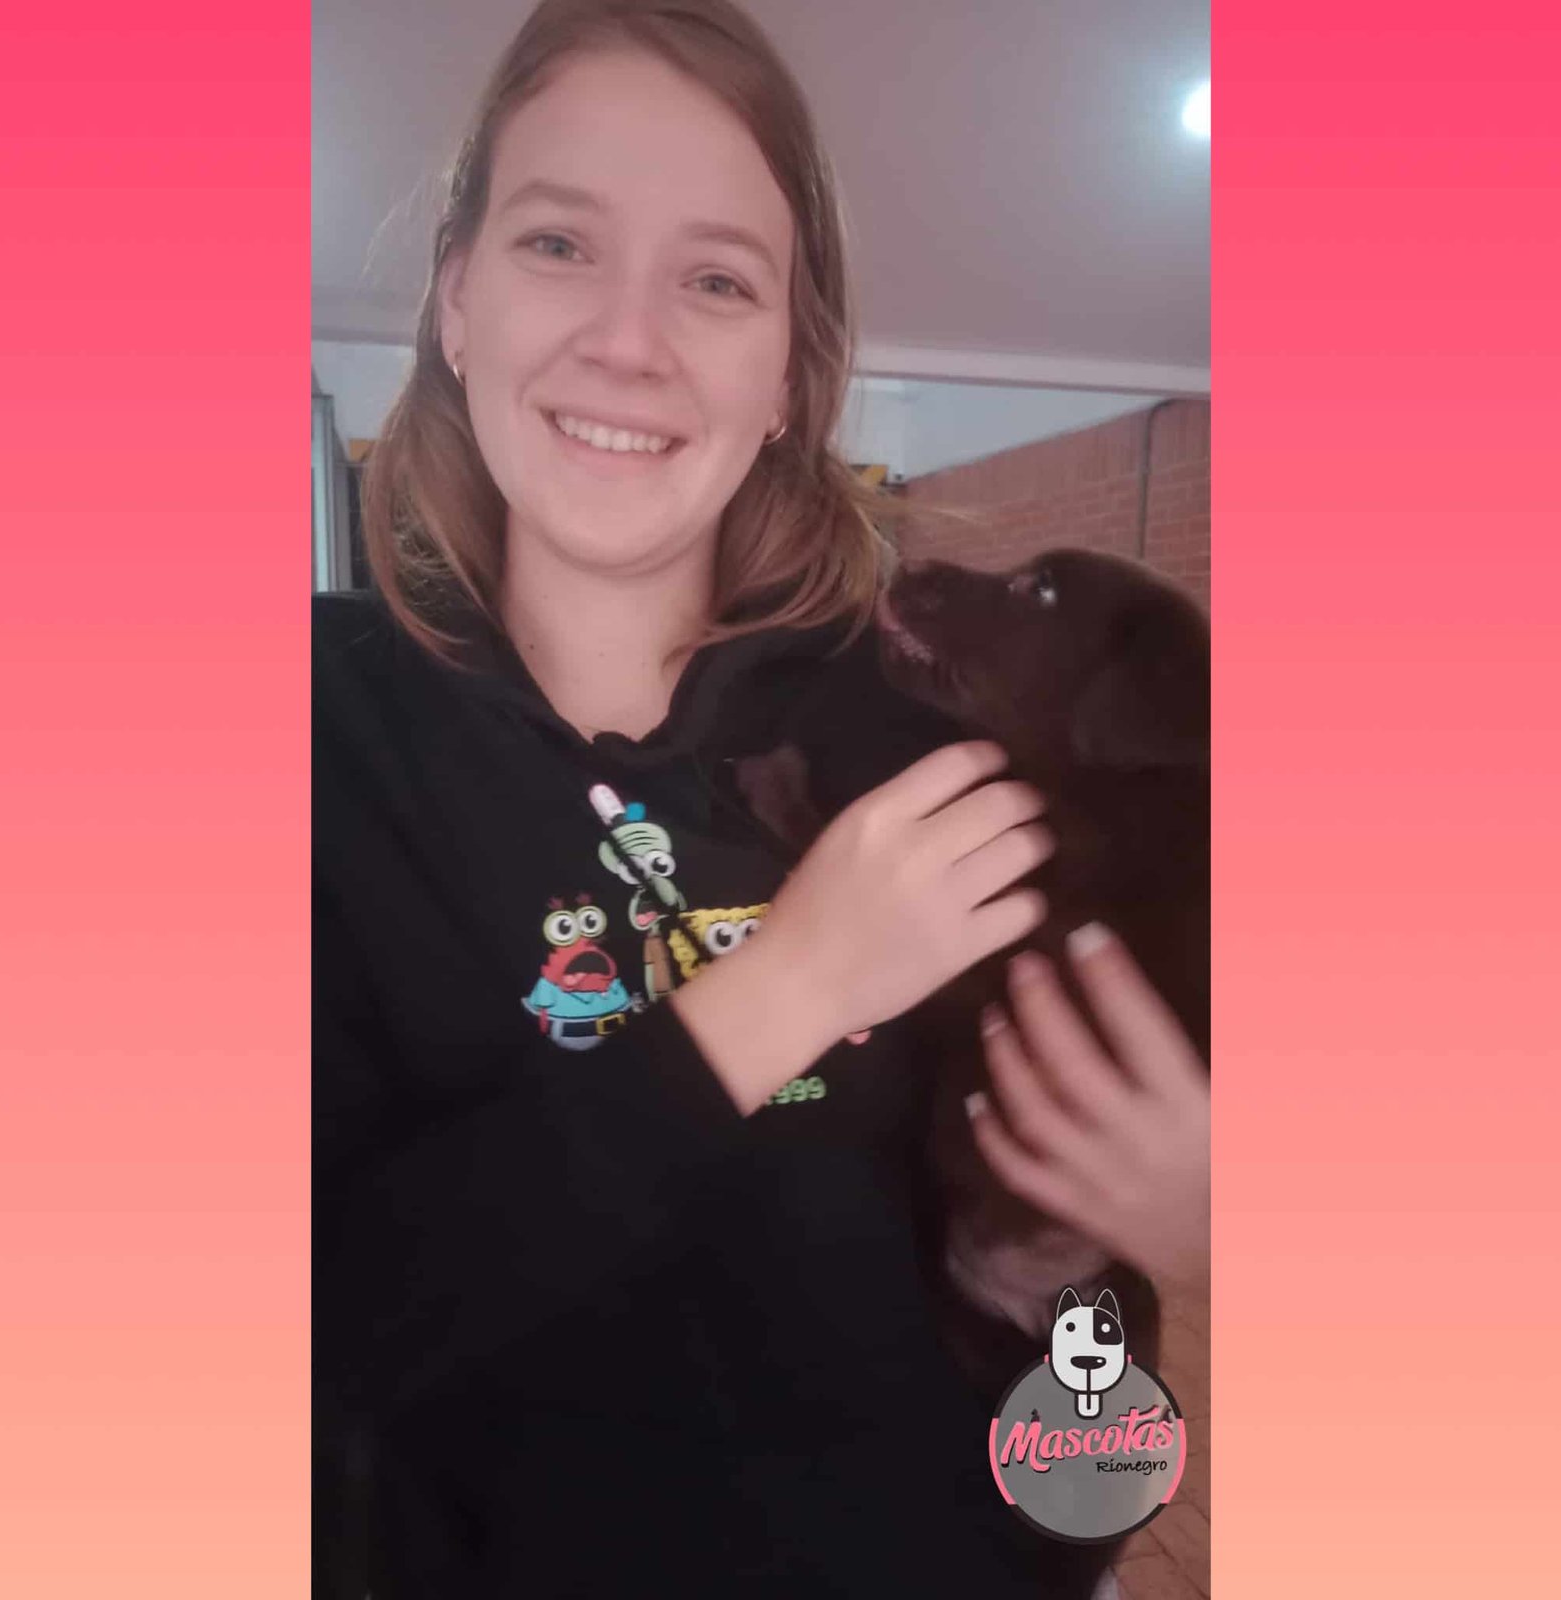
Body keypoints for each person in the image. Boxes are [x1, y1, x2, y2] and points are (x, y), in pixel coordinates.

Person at [313, 3, 1208, 1595]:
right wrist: (786, 988)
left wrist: (1209, 1246)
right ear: (455, 300)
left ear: (789, 370)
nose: (629, 340)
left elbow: (1085, 1375)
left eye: (717, 280)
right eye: (559, 244)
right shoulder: (309, 734)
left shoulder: (939, 746)